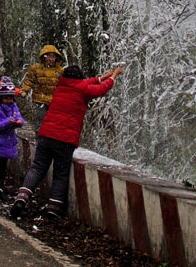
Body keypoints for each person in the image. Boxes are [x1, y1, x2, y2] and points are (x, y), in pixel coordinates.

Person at [11, 64, 123, 219]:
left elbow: (84, 84)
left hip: (46, 135)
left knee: (37, 168)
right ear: (79, 78)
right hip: (64, 139)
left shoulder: (61, 86)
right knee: (61, 174)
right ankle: (53, 208)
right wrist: (113, 76)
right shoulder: (83, 90)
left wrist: (100, 77)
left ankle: (21, 198)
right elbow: (101, 89)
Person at [0, 76, 25, 200]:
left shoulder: (14, 106)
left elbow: (21, 119)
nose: (9, 100)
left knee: (1, 168)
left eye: (10, 98)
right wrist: (9, 122)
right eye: (6, 98)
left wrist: (18, 122)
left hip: (8, 143)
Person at [18, 45, 64, 133]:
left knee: (54, 123)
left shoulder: (60, 71)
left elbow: (64, 84)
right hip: (40, 100)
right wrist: (25, 90)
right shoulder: (35, 69)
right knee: (41, 122)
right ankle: (40, 140)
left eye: (53, 57)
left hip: (54, 101)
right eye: (49, 56)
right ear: (44, 57)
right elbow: (29, 80)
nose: (51, 59)